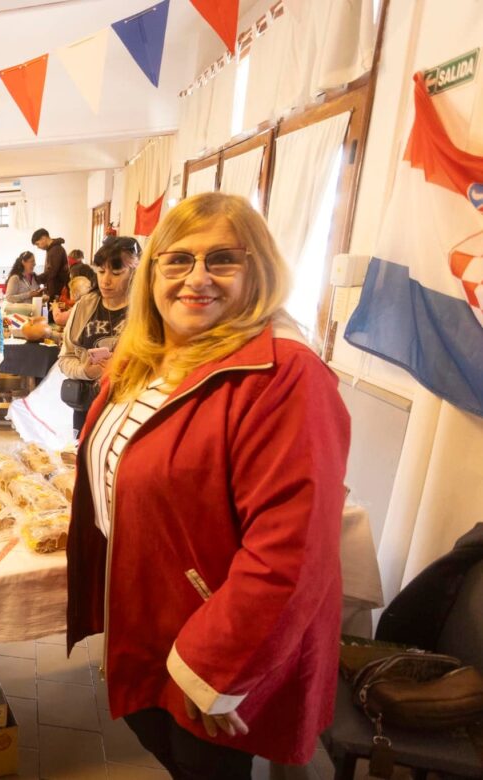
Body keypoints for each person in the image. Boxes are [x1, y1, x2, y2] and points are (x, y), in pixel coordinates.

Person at [66, 193, 351, 776]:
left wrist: (217, 666)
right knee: (163, 744)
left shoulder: (285, 376)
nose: (196, 278)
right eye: (178, 261)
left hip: (217, 634)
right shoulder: (149, 355)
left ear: (260, 271)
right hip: (150, 611)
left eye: (223, 259)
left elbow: (290, 554)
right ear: (154, 273)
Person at [56, 237, 138, 432]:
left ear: (135, 273)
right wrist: (85, 371)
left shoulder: (145, 310)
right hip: (87, 406)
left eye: (117, 272)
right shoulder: (85, 306)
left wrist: (121, 372)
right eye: (100, 271)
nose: (106, 280)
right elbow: (65, 358)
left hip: (129, 411)